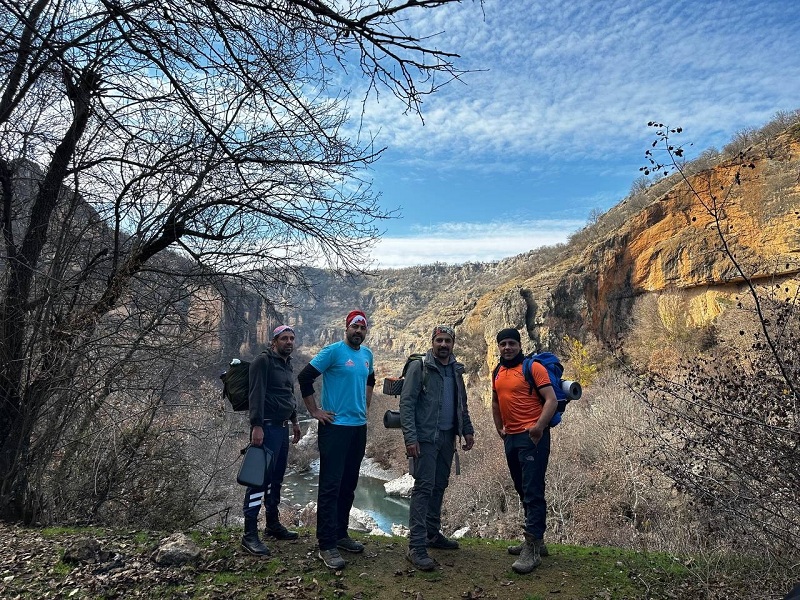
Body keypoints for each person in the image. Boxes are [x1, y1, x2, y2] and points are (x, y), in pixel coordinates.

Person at [297, 310, 375, 570]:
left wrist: (366, 404)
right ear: (347, 328)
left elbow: (370, 379)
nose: (358, 331)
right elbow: (305, 377)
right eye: (354, 327)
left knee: (349, 484)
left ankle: (341, 535)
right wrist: (314, 412)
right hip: (335, 427)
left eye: (362, 328)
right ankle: (326, 544)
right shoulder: (333, 351)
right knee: (330, 486)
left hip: (358, 428)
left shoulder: (367, 355)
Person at [400, 325, 475, 571]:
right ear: (432, 341)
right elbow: (407, 404)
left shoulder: (455, 370)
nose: (443, 345)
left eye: (448, 341)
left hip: (447, 439)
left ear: (453, 344)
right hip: (425, 439)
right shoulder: (419, 367)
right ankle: (416, 547)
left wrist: (467, 430)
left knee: (439, 485)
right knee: (423, 488)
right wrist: (410, 438)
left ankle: (432, 534)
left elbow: (461, 403)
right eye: (439, 340)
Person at [491, 328, 558, 574]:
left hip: (533, 437)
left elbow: (550, 399)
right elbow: (496, 401)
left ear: (519, 345)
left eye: (511, 343)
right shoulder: (497, 371)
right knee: (521, 488)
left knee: (533, 490)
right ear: (498, 347)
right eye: (503, 344)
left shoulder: (533, 368)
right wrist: (499, 427)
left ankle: (532, 550)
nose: (507, 348)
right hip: (511, 437)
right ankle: (536, 541)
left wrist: (539, 427)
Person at [241, 325, 303, 556]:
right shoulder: (263, 362)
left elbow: (287, 395)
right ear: (274, 341)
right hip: (266, 428)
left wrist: (295, 421)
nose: (289, 342)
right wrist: (256, 426)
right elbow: (255, 394)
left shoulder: (287, 364)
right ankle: (249, 534)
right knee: (258, 480)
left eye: (291, 338)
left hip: (282, 428)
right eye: (284, 338)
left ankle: (272, 524)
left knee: (276, 479)